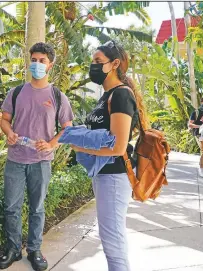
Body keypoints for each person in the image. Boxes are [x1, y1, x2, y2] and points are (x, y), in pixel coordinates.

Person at [71, 40, 148, 271]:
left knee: (112, 243)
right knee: (111, 238)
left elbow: (117, 146)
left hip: (114, 175)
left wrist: (79, 146)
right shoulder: (106, 95)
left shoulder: (121, 95)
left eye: (98, 61)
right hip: (102, 173)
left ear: (114, 64)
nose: (93, 65)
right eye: (92, 61)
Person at [0, 42, 74, 271]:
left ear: (49, 65)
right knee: (11, 206)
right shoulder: (16, 92)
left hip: (41, 162)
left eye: (42, 61)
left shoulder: (57, 96)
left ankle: (34, 250)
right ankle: (12, 249)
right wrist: (9, 133)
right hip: (16, 160)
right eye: (34, 60)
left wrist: (51, 144)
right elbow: (4, 120)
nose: (37, 64)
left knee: (37, 208)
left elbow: (67, 128)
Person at [188, 96, 203, 178]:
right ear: (201, 102)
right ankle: (201, 169)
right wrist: (201, 126)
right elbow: (190, 124)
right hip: (199, 134)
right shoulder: (196, 112)